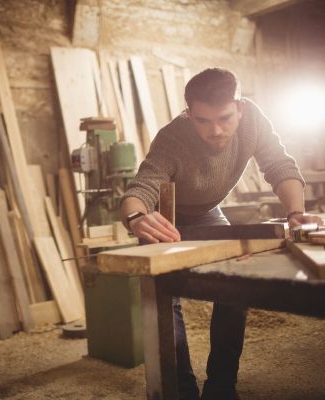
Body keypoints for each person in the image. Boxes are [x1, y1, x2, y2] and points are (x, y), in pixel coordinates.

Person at [119, 68, 324, 400]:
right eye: (202, 121)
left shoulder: (254, 120)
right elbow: (139, 190)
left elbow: (280, 166)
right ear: (189, 114)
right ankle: (181, 390)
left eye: (225, 118)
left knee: (236, 283)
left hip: (207, 214)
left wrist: (296, 215)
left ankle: (221, 387)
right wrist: (138, 218)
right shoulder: (172, 138)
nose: (215, 130)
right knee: (163, 297)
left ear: (240, 108)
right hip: (165, 223)